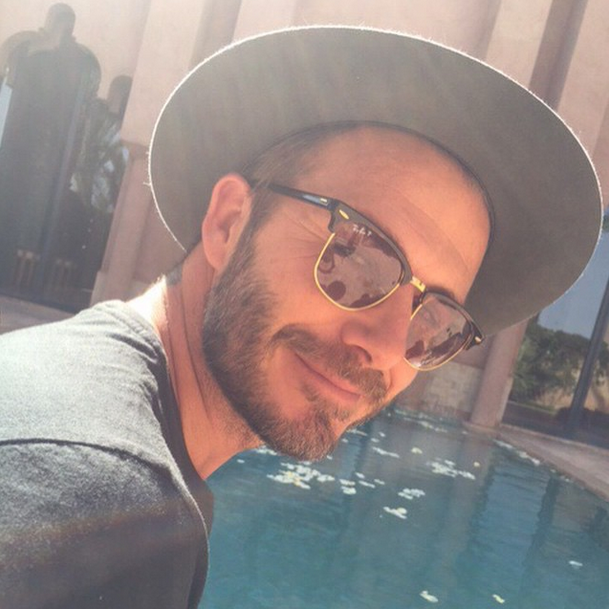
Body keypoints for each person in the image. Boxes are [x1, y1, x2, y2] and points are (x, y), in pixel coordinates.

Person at [0, 26, 602, 609]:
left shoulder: (77, 390)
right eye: (359, 255)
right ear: (230, 223)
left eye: (435, 320)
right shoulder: (103, 510)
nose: (388, 347)